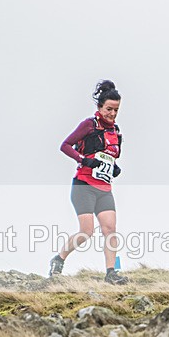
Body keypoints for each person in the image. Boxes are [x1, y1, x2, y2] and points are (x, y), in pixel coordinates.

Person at [49, 80, 128, 285]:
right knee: (87, 232)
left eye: (116, 110)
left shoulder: (116, 132)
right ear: (100, 107)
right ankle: (59, 259)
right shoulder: (88, 125)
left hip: (104, 189)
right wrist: (84, 160)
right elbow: (65, 145)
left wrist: (114, 168)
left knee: (110, 229)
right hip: (83, 186)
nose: (112, 114)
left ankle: (112, 272)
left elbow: (110, 157)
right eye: (109, 109)